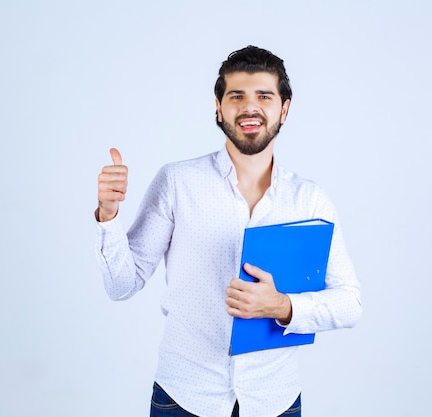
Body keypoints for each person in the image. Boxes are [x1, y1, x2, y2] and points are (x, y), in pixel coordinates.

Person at [95, 45, 362, 417]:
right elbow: (122, 285)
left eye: (264, 96)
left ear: (284, 109)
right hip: (183, 397)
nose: (249, 107)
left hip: (275, 401)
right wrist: (108, 216)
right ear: (218, 108)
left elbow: (350, 302)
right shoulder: (177, 182)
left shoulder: (311, 200)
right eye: (236, 96)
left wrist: (283, 306)